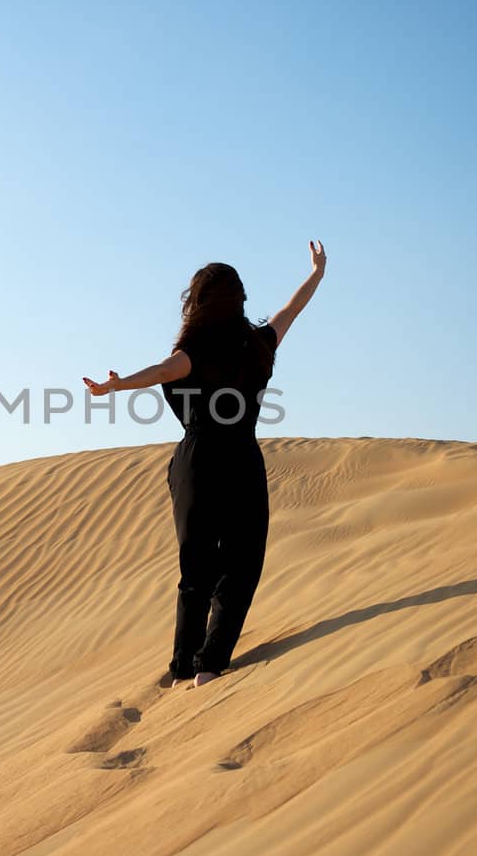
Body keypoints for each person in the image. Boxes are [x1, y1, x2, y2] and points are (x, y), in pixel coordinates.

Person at [83, 241, 327, 689]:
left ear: (196, 302)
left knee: (195, 569)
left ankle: (181, 670)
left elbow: (158, 372)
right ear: (239, 301)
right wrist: (317, 273)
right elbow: (291, 310)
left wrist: (114, 388)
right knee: (242, 561)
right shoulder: (259, 345)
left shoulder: (193, 352)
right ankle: (210, 665)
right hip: (241, 460)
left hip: (196, 463)